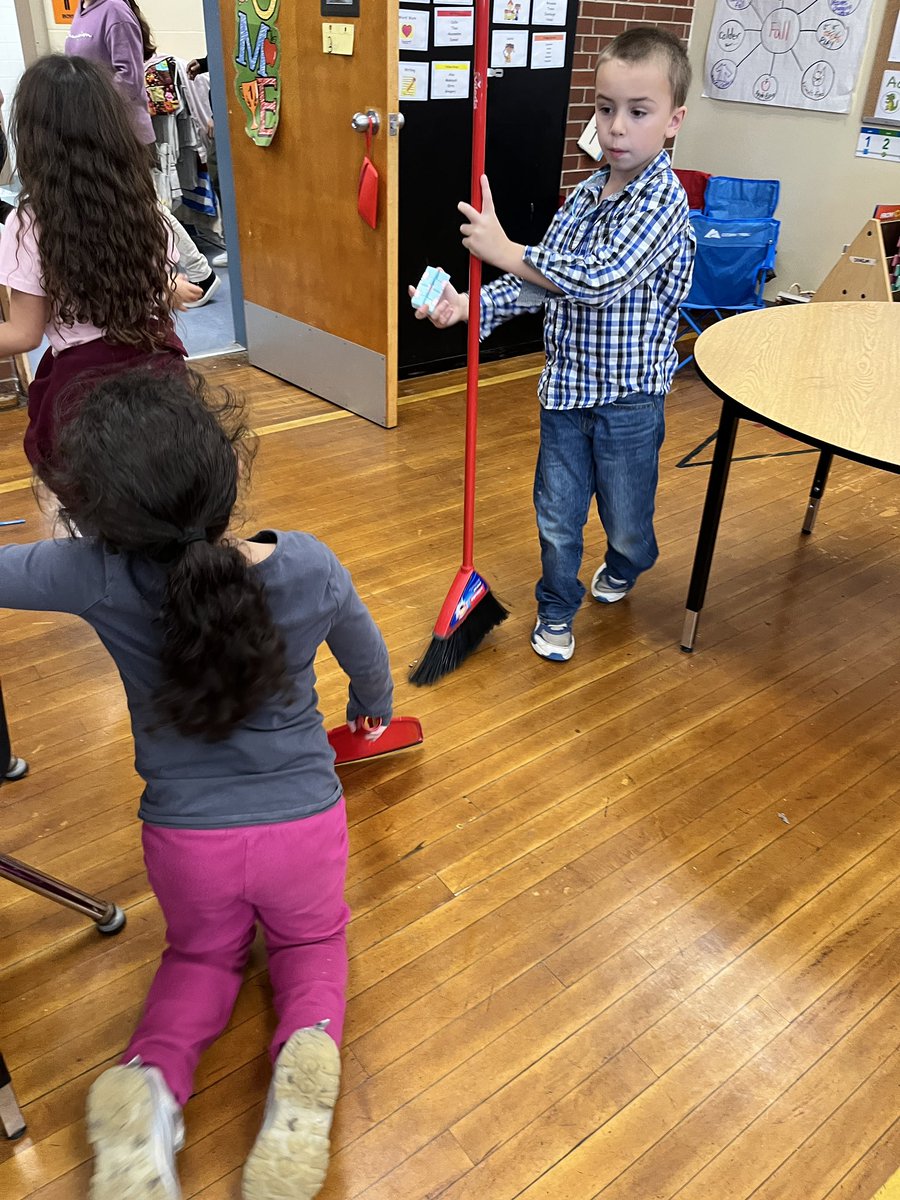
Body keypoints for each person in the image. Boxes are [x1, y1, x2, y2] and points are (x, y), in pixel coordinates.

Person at [0, 367, 393, 1200]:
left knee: (201, 958)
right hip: (302, 829)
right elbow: (367, 657)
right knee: (311, 945)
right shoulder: (310, 564)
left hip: (186, 843)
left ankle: (149, 1084)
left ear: (94, 513)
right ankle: (306, 1051)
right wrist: (371, 708)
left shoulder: (94, 574)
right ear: (226, 471)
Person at [414, 27, 695, 662]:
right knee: (557, 516)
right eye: (605, 107)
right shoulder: (587, 197)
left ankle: (627, 562)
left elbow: (596, 280)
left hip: (629, 402)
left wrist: (506, 249)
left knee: (627, 521)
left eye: (638, 112)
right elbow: (542, 282)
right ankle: (557, 606)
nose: (616, 127)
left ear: (673, 121)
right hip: (565, 395)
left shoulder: (664, 204)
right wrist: (469, 306)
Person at [0, 55, 192, 477]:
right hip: (161, 377)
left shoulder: (29, 223)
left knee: (99, 496)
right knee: (168, 484)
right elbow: (149, 282)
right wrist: (168, 286)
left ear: (32, 138)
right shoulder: (143, 205)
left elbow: (24, 333)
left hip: (89, 395)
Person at [66, 0, 221, 307]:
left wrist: (91, 110)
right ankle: (175, 276)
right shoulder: (83, 10)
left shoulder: (114, 10)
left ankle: (199, 274)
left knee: (142, 206)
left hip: (120, 131)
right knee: (134, 207)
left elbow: (130, 79)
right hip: (93, 131)